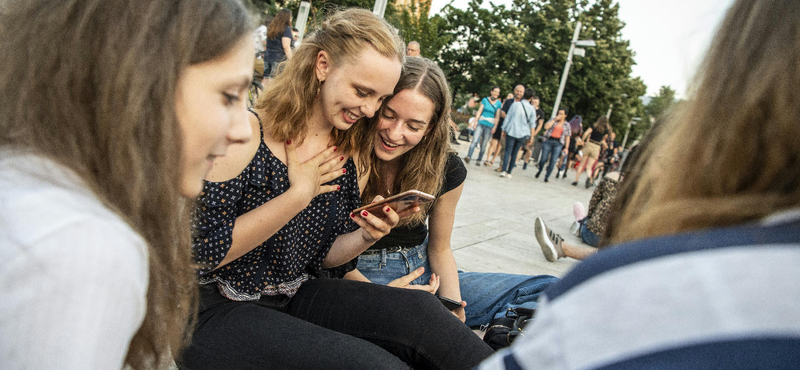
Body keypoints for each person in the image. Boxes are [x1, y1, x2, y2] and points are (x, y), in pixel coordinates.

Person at [477, 0, 800, 368]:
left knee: (431, 309)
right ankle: (559, 248)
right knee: (534, 287)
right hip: (608, 257)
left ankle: (561, 245)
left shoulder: (650, 285)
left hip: (605, 264)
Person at [179, 9, 494, 370]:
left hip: (296, 291)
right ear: (323, 65)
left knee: (422, 313)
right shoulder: (247, 135)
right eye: (362, 91)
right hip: (213, 307)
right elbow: (199, 253)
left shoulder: (349, 150)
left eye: (380, 98)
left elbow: (325, 256)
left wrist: (366, 235)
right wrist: (298, 195)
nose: (370, 109)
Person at [0, 0, 253, 368]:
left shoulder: (32, 185)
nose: (243, 129)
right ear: (140, 79)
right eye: (229, 96)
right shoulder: (86, 248)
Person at [345, 57, 559, 329]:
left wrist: (452, 305)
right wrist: (385, 298)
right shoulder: (346, 150)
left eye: (413, 126)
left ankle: (502, 334)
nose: (395, 133)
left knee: (549, 289)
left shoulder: (446, 167)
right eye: (388, 114)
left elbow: (440, 248)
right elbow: (326, 257)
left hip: (424, 270)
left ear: (430, 128)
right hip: (361, 277)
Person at [499, 88, 537, 178]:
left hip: (512, 131)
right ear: (531, 98)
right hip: (523, 134)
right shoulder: (532, 109)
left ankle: (504, 170)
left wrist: (503, 129)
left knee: (508, 151)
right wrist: (531, 137)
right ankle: (509, 172)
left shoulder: (515, 105)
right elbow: (532, 124)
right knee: (515, 153)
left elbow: (508, 118)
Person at [464, 86, 502, 165]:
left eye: (498, 92)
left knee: (484, 143)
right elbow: (480, 111)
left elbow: (497, 116)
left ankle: (479, 159)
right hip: (481, 123)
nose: (496, 93)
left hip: (490, 125)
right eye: (495, 91)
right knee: (474, 140)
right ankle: (469, 156)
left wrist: (495, 126)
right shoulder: (485, 100)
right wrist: (475, 122)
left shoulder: (498, 103)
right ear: (491, 92)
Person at [488, 87, 523, 168]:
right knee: (504, 147)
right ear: (515, 91)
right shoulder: (508, 102)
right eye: (517, 91)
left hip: (517, 131)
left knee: (513, 150)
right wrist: (511, 118)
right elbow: (502, 113)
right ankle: (502, 166)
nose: (518, 92)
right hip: (506, 128)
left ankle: (509, 167)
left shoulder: (523, 104)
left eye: (520, 91)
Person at [535, 108, 571, 182]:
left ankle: (547, 176)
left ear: (565, 115)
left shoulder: (567, 125)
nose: (559, 115)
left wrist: (566, 147)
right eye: (559, 113)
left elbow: (567, 137)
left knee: (553, 160)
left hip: (558, 143)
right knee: (543, 158)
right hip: (548, 140)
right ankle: (540, 169)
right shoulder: (553, 120)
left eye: (561, 114)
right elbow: (546, 127)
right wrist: (554, 120)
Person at [572, 116, 609, 187]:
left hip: (590, 144)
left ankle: (576, 181)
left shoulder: (594, 126)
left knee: (582, 164)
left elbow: (586, 133)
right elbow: (603, 140)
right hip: (597, 147)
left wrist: (582, 141)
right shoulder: (606, 130)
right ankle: (589, 177)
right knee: (589, 166)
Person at [262, 8, 293, 84]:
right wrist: (292, 60)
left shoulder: (272, 27)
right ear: (287, 17)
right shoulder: (286, 29)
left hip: (268, 56)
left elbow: (267, 43)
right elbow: (286, 46)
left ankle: (258, 95)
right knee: (273, 81)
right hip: (278, 59)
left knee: (265, 79)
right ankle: (266, 96)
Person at [521, 96, 546, 170]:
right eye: (533, 102)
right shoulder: (527, 109)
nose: (534, 104)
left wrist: (535, 133)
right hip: (524, 130)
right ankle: (515, 161)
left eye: (535, 102)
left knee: (529, 148)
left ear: (538, 103)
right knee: (520, 146)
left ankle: (526, 161)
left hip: (532, 131)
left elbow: (540, 124)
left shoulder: (540, 112)